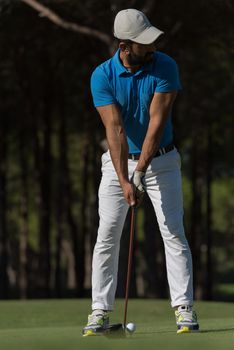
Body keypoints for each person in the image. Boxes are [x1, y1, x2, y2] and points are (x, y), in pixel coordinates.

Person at [83, 8, 199, 336]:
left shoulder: (165, 67)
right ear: (124, 45)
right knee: (107, 234)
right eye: (144, 44)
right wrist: (124, 178)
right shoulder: (102, 76)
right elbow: (115, 129)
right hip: (118, 161)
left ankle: (184, 308)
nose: (152, 48)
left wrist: (141, 170)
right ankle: (99, 312)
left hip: (161, 160)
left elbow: (156, 123)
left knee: (172, 230)